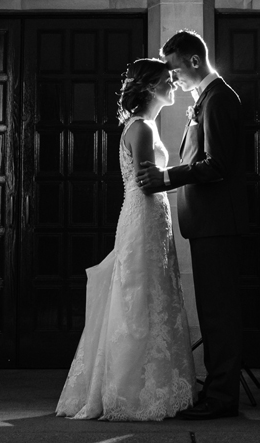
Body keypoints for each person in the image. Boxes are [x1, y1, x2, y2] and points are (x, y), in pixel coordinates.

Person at [55, 58, 197, 421]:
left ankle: (144, 384)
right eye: (167, 81)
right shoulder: (143, 129)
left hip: (145, 215)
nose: (173, 85)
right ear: (150, 88)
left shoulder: (141, 125)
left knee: (144, 295)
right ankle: (135, 391)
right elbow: (148, 181)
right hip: (145, 215)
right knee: (140, 297)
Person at [137, 29, 249, 420]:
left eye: (174, 68)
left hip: (219, 224)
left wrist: (166, 179)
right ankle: (217, 392)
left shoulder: (218, 100)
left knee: (220, 314)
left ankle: (221, 399)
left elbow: (217, 165)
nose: (172, 78)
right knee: (214, 311)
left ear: (193, 61)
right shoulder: (205, 99)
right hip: (208, 224)